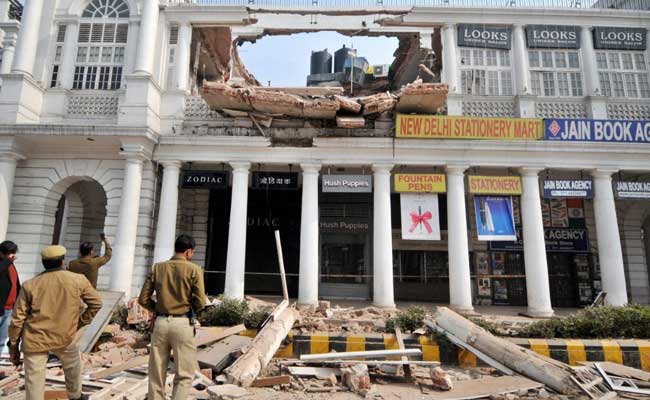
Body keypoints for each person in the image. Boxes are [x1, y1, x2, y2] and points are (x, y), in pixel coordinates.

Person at [8, 245, 102, 400]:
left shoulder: (30, 284)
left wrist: (13, 346)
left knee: (34, 380)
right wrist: (80, 322)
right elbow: (96, 303)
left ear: (44, 263)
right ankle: (75, 396)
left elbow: (17, 319)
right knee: (73, 368)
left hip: (35, 338)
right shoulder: (78, 280)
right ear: (62, 261)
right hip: (65, 336)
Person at [139, 234, 207, 400]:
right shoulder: (194, 270)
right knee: (184, 374)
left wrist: (157, 309)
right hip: (183, 323)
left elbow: (143, 299)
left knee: (156, 373)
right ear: (189, 252)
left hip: (160, 323)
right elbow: (200, 301)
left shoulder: (157, 268)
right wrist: (192, 309)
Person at [0, 240, 20, 355]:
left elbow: (15, 285)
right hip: (1, 307)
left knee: (2, 340)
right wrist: (7, 261)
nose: (12, 256)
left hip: (9, 309)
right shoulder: (4, 264)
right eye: (9, 253)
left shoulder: (10, 265)